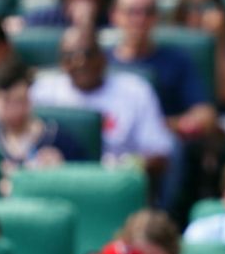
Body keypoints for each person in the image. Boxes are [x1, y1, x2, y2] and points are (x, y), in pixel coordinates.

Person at [30, 26, 174, 165]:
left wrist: (128, 165)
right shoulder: (42, 91)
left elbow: (160, 152)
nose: (80, 62)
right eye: (70, 56)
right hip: (58, 180)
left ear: (103, 57)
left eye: (88, 54)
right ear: (61, 63)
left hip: (116, 180)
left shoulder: (135, 90)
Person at [108, 0, 217, 138]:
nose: (140, 19)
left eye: (148, 12)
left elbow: (205, 114)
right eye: (132, 12)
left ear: (156, 17)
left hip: (163, 144)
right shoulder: (100, 63)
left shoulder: (177, 61)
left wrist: (166, 125)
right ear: (115, 16)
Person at [0, 59, 83, 194]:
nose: (15, 110)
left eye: (20, 100)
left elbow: (84, 181)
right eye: (7, 101)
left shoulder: (59, 140)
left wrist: (62, 172)